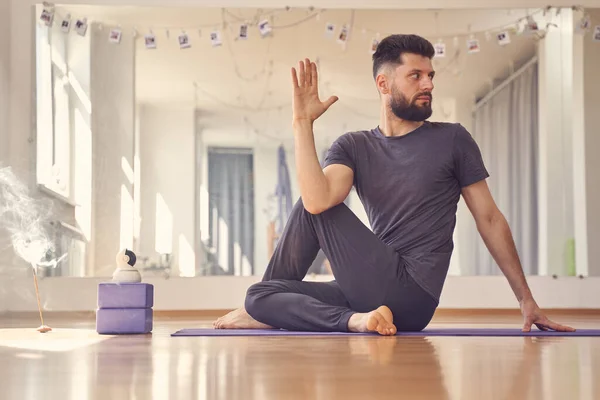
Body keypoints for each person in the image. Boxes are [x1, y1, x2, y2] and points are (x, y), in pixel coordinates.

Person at [213, 34, 575, 335]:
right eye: (416, 75)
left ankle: (267, 314)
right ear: (383, 84)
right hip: (372, 293)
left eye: (431, 75)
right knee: (259, 293)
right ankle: (345, 319)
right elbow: (319, 197)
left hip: (413, 295)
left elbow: (490, 219)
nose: (429, 84)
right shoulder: (353, 146)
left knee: (311, 210)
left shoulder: (452, 140)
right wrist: (302, 124)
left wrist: (525, 299)